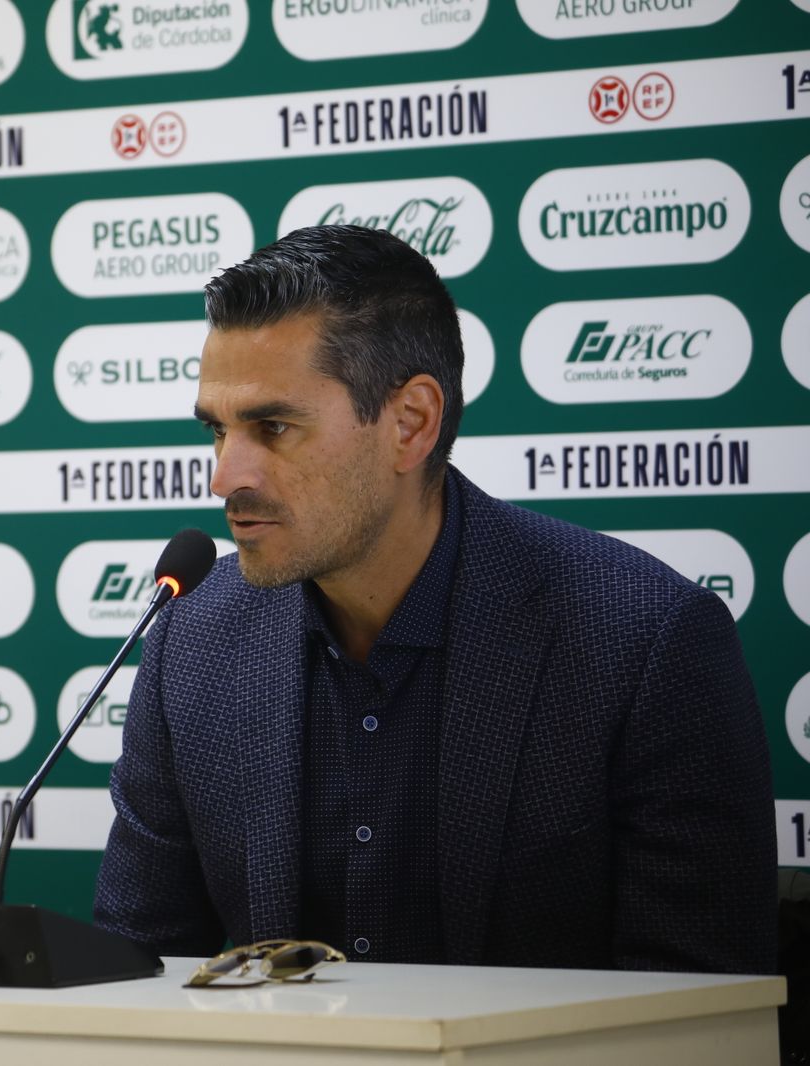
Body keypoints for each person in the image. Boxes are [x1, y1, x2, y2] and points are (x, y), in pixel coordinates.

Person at [93, 225, 777, 973]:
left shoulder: (645, 641)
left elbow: (699, 1012)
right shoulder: (192, 637)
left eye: (273, 426)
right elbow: (135, 969)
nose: (225, 476)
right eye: (218, 431)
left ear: (411, 424)